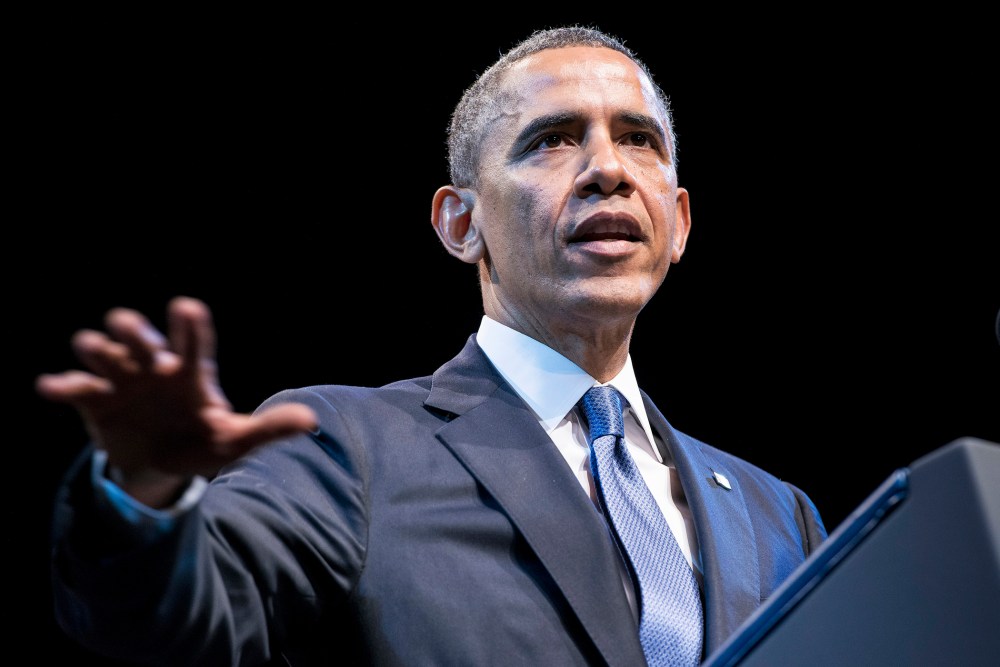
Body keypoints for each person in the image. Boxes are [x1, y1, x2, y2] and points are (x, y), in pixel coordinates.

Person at [38, 25, 827, 666]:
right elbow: (183, 620)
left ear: (679, 220)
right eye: (553, 140)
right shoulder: (348, 447)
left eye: (639, 141)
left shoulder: (777, 512)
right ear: (461, 222)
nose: (607, 170)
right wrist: (142, 495)